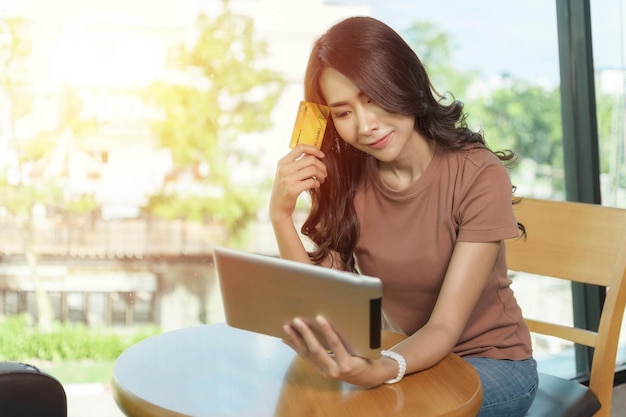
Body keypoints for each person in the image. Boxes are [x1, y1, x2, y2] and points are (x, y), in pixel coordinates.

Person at [269, 15, 537, 417]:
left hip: (492, 364)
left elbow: (444, 327)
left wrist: (381, 369)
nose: (366, 126)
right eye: (342, 113)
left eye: (374, 97)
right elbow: (319, 305)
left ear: (406, 83)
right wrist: (280, 215)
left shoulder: (478, 174)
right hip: (404, 356)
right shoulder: (346, 180)